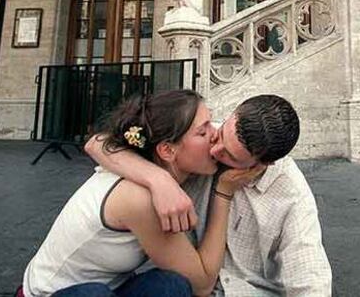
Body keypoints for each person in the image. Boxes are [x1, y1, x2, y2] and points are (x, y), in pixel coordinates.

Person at [22, 90, 263, 297]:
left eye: (210, 122)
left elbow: (98, 141)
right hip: (52, 293)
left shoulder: (141, 163)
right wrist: (224, 192)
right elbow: (203, 283)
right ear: (167, 150)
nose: (215, 134)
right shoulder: (139, 199)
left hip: (112, 287)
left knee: (171, 285)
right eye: (203, 132)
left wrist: (160, 179)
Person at [86, 94, 332, 296]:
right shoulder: (199, 141)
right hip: (189, 287)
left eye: (230, 157)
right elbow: (99, 143)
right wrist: (158, 179)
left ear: (264, 163)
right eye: (221, 133)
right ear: (232, 115)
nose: (214, 150)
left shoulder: (290, 191)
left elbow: (310, 275)